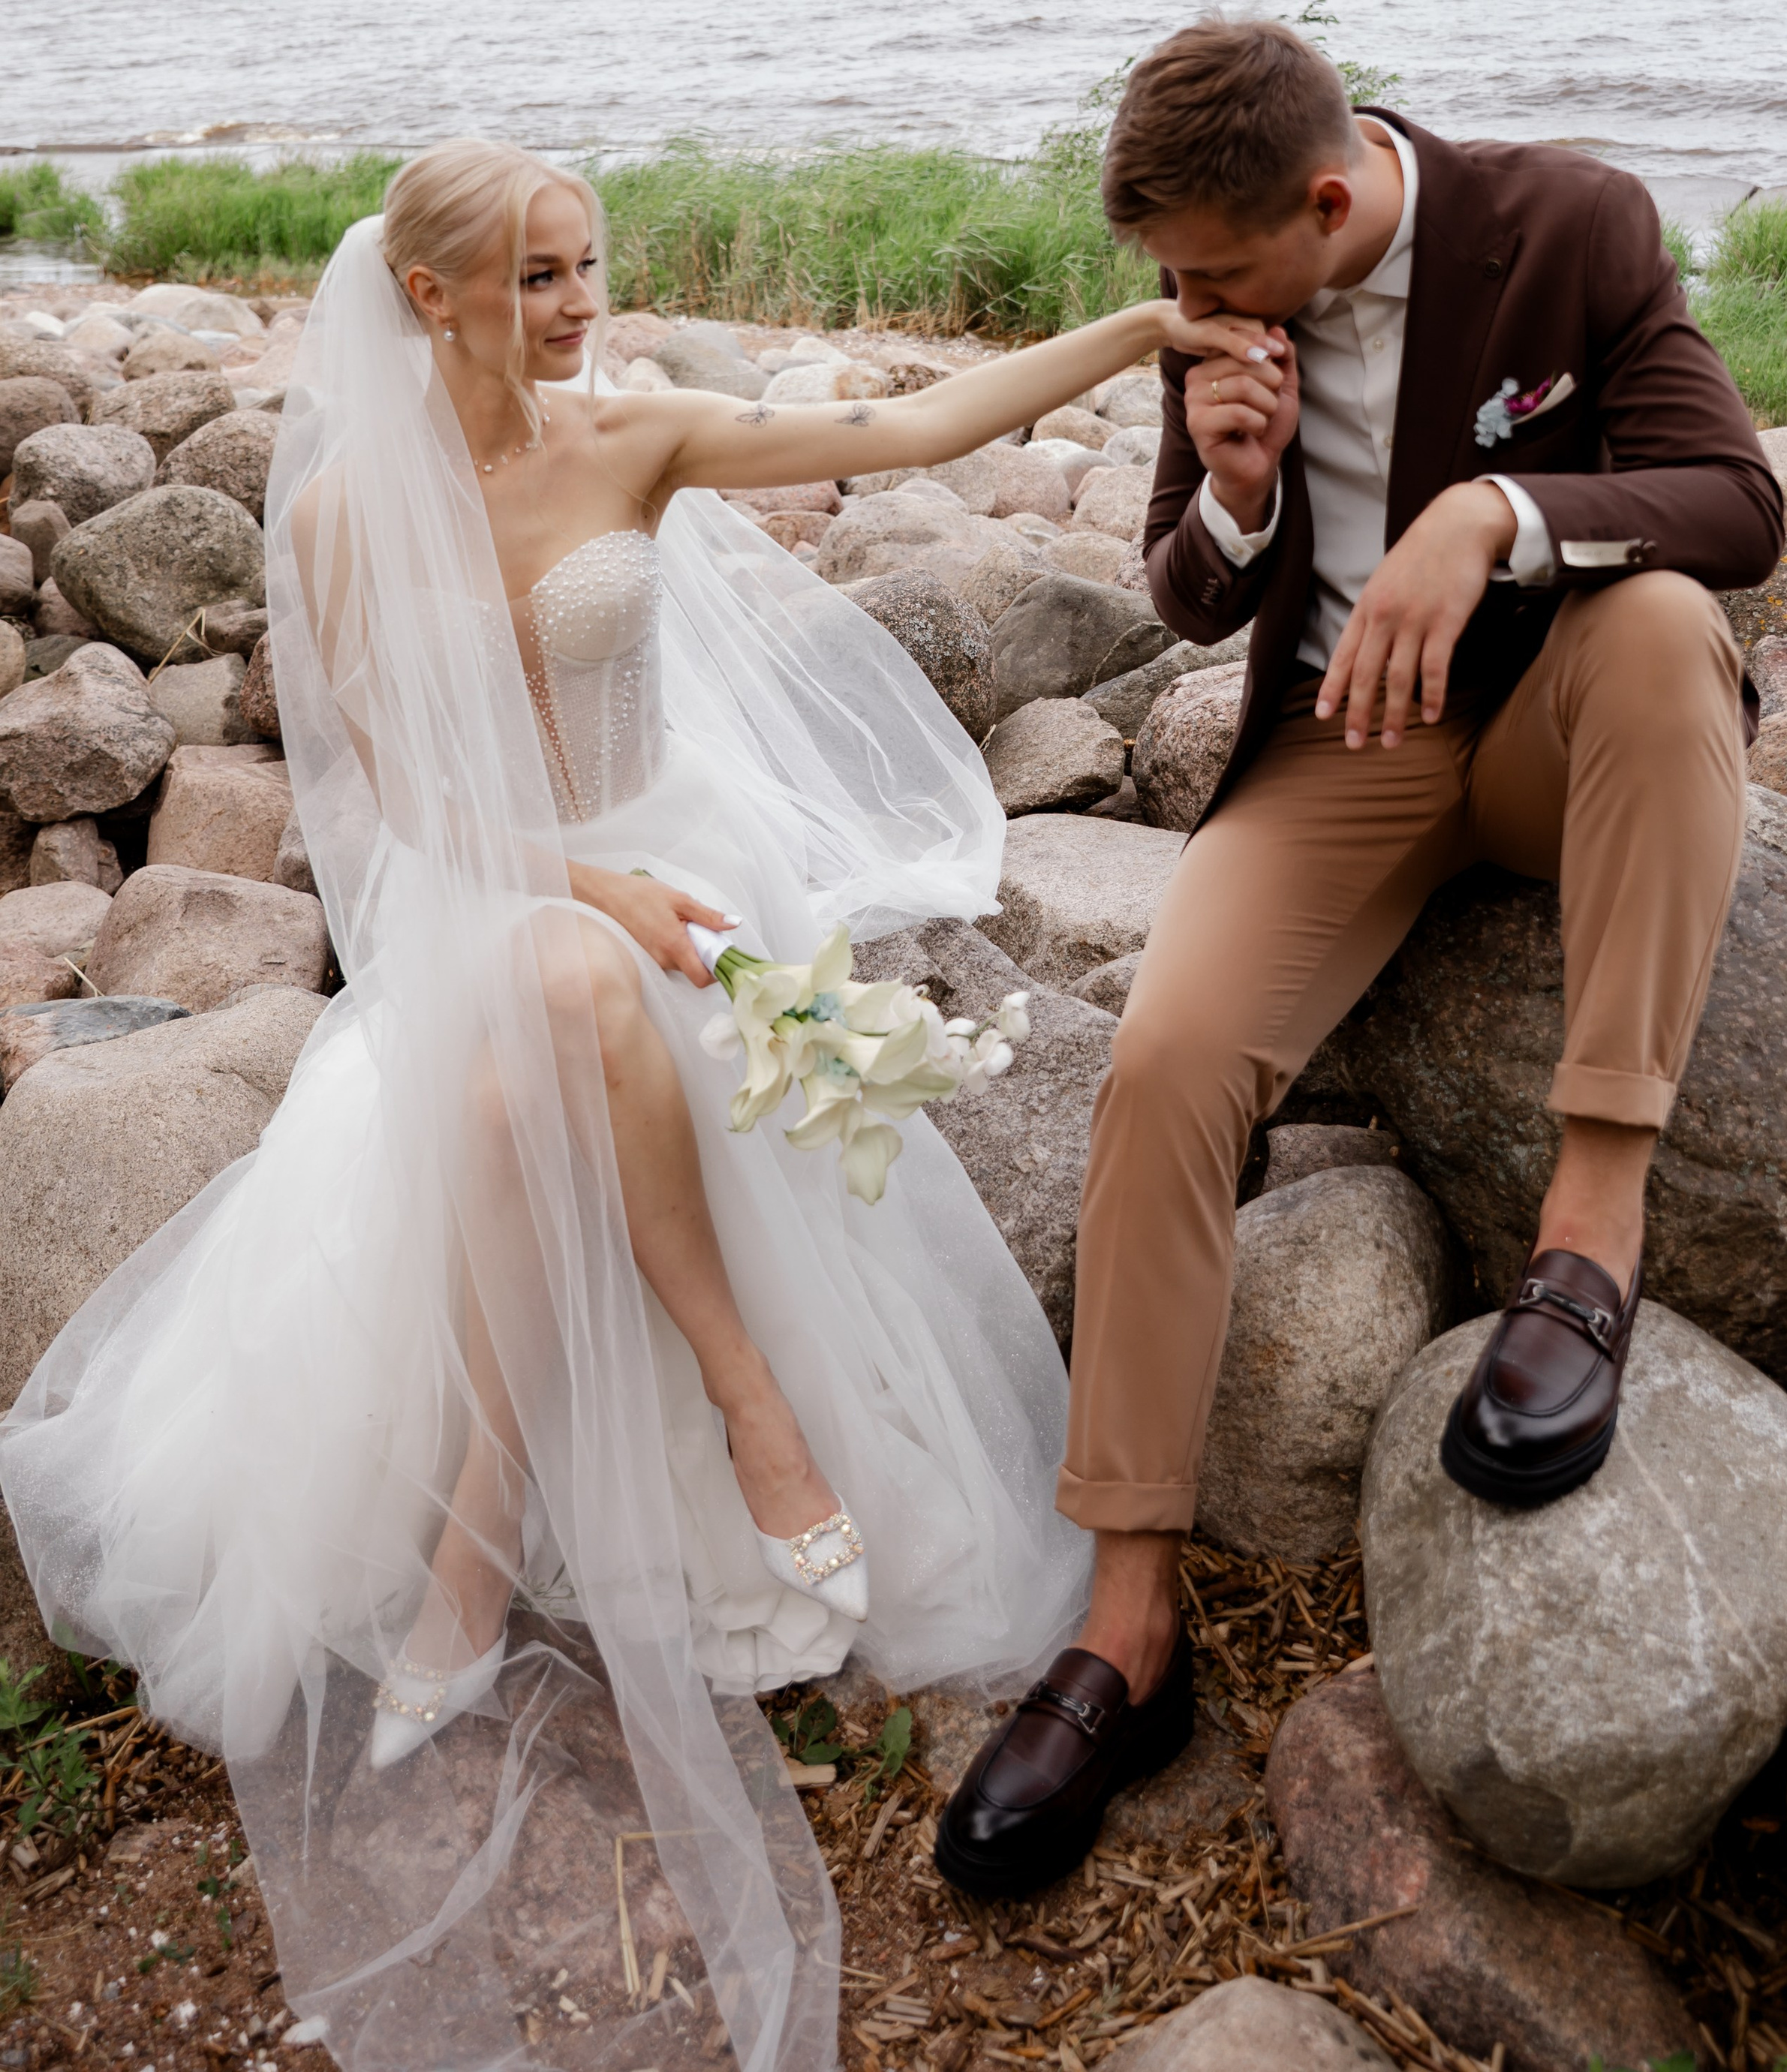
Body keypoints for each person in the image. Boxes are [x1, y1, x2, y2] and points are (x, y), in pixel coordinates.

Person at [0, 140, 1270, 2072]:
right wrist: (578, 889)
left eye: (587, 263)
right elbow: (399, 802)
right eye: (537, 276)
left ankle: (484, 1527)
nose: (581, 305)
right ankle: (742, 1398)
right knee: (552, 992)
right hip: (508, 890)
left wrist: (1133, 333)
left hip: (677, 866)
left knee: (540, 1048)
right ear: (427, 296)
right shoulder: (341, 513)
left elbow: (916, 427)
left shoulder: (636, 434)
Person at [934, 16, 1785, 1899]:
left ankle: (1589, 1232)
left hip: (1560, 716)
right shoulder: (1215, 301)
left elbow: (1739, 506)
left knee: (1664, 630)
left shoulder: (1567, 226)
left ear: (1327, 203)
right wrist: (1234, 490)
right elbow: (1184, 590)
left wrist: (1493, 514)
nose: (1187, 309)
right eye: (1170, 282)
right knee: (1165, 1061)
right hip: (1344, 748)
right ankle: (1128, 1618)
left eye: (1213, 276)